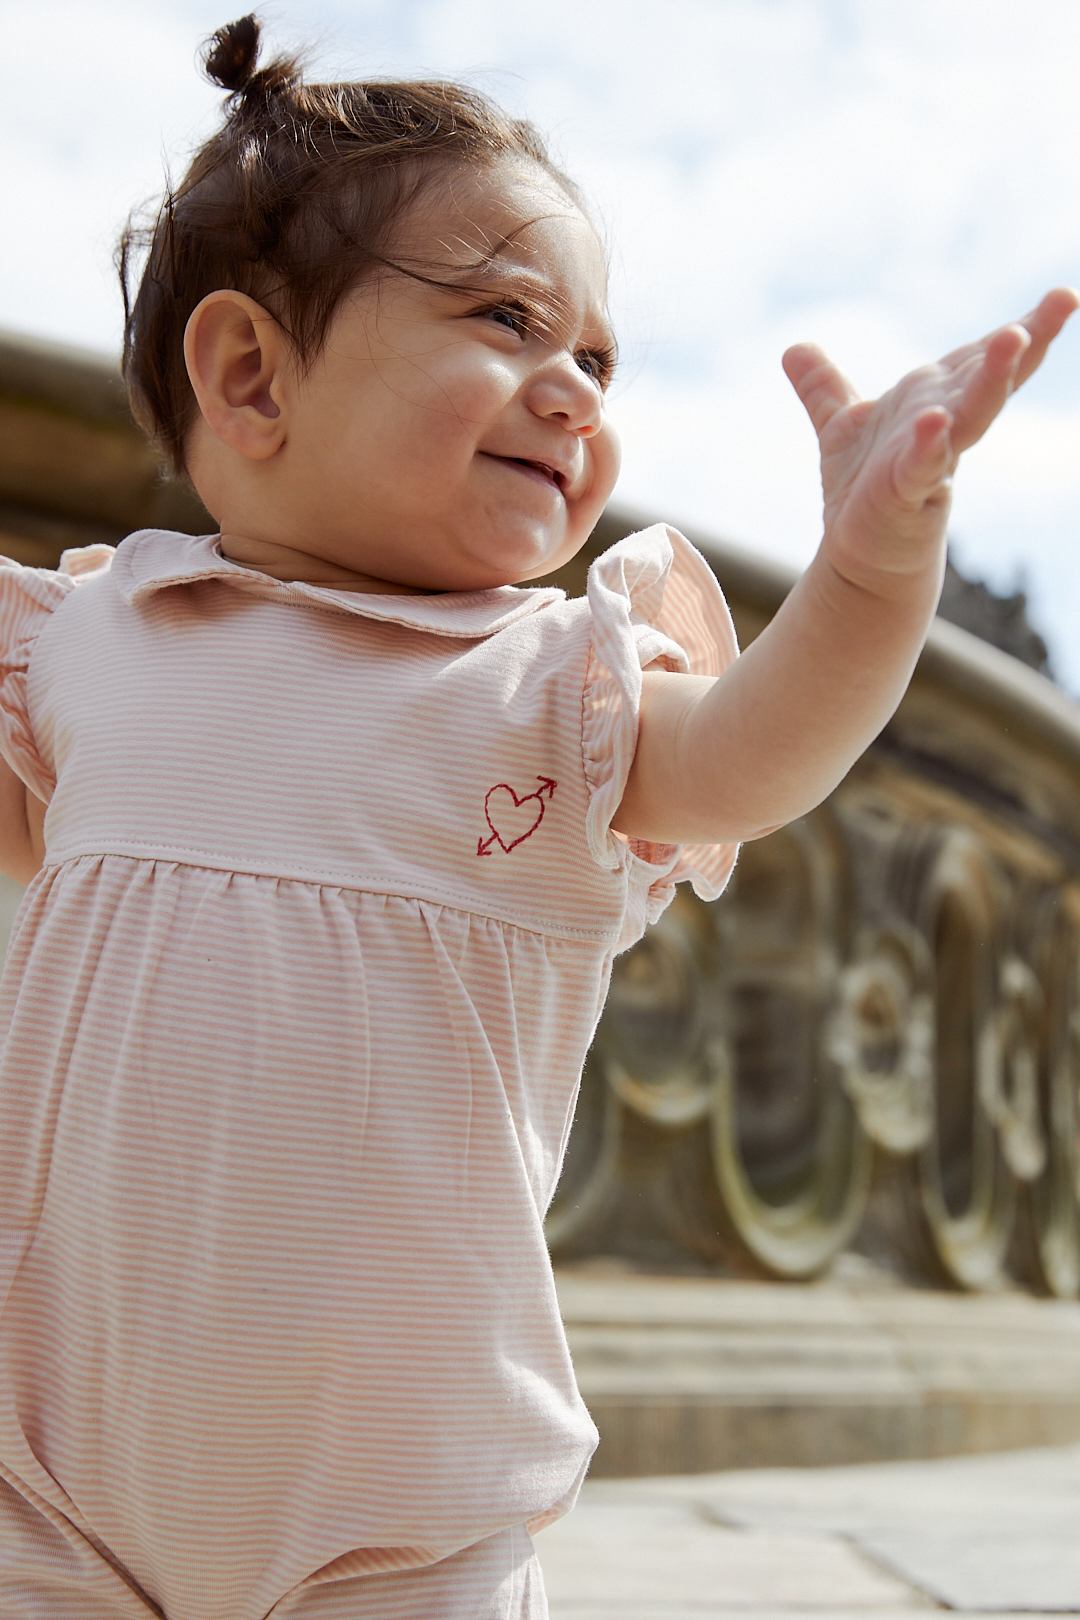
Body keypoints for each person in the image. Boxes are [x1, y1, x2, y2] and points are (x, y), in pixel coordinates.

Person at [0, 13, 1074, 1620]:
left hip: (404, 1518)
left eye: (598, 356)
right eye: (509, 319)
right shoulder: (90, 644)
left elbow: (760, 753)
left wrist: (868, 566)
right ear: (248, 375)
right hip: (52, 1491)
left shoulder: (558, 688)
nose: (573, 389)